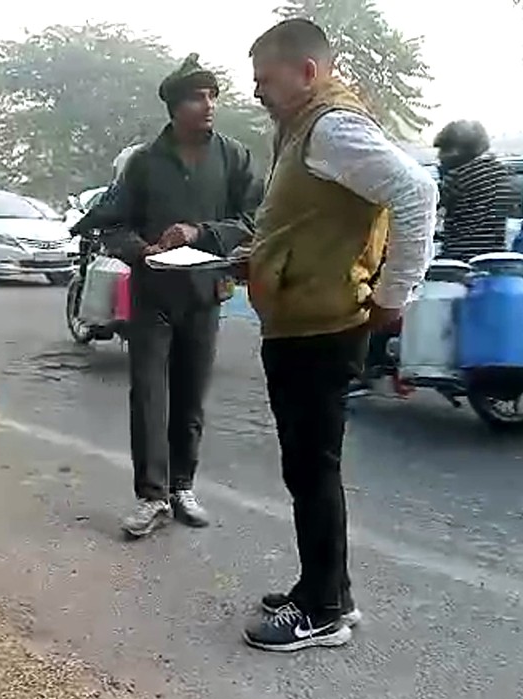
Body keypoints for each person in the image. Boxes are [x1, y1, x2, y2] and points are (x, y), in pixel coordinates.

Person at [237, 19, 435, 651]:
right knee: (307, 468)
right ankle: (324, 589)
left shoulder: (330, 127)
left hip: (321, 328)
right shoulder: (303, 131)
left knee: (312, 468)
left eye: (265, 80)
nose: (258, 92)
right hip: (301, 320)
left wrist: (393, 296)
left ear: (307, 74)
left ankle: (323, 610)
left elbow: (416, 192)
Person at [100, 54, 262, 539]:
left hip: (205, 292)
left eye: (213, 95)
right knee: (149, 394)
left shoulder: (235, 157)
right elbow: (112, 224)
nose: (208, 105)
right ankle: (150, 497)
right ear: (174, 107)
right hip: (152, 292)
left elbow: (252, 223)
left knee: (191, 394)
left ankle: (182, 486)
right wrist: (140, 249)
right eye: (196, 97)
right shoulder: (145, 163)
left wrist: (200, 232)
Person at [433, 120, 516, 262]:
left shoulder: (457, 178)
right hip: (494, 258)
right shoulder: (504, 174)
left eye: (443, 150)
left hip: (458, 259)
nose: (439, 157)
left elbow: (428, 211)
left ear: (457, 150)